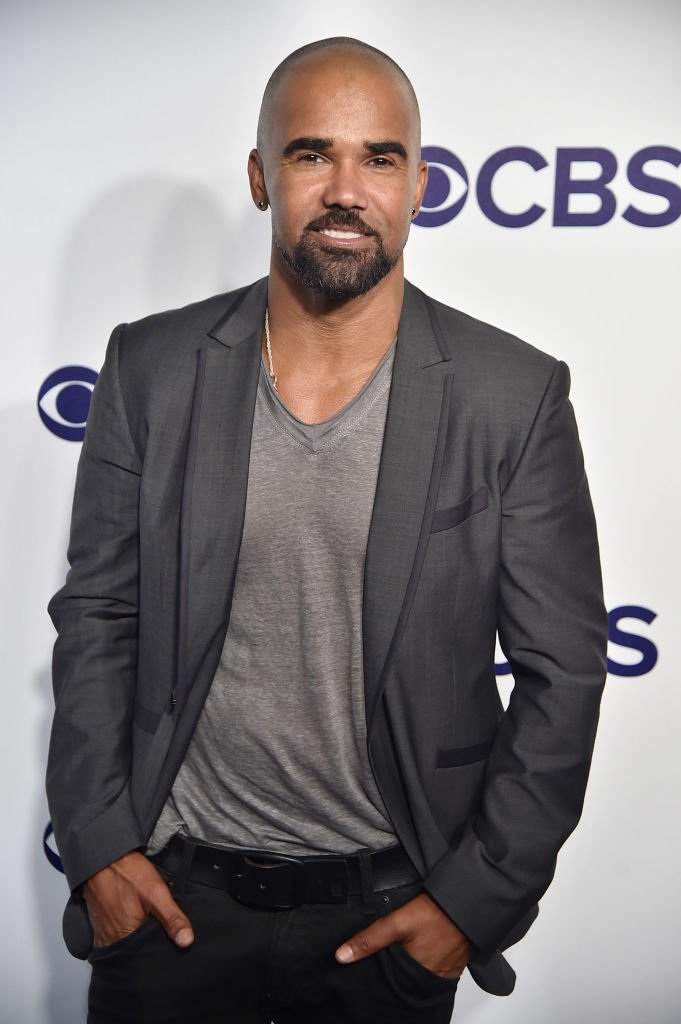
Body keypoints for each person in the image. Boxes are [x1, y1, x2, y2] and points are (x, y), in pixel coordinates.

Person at [46, 36, 607, 1024]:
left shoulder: (511, 396)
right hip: (172, 905)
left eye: (379, 157)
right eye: (312, 153)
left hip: (391, 917)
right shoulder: (152, 366)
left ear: (420, 181)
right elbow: (99, 614)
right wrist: (97, 845)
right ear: (263, 177)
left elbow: (565, 672)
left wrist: (468, 904)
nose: (346, 188)